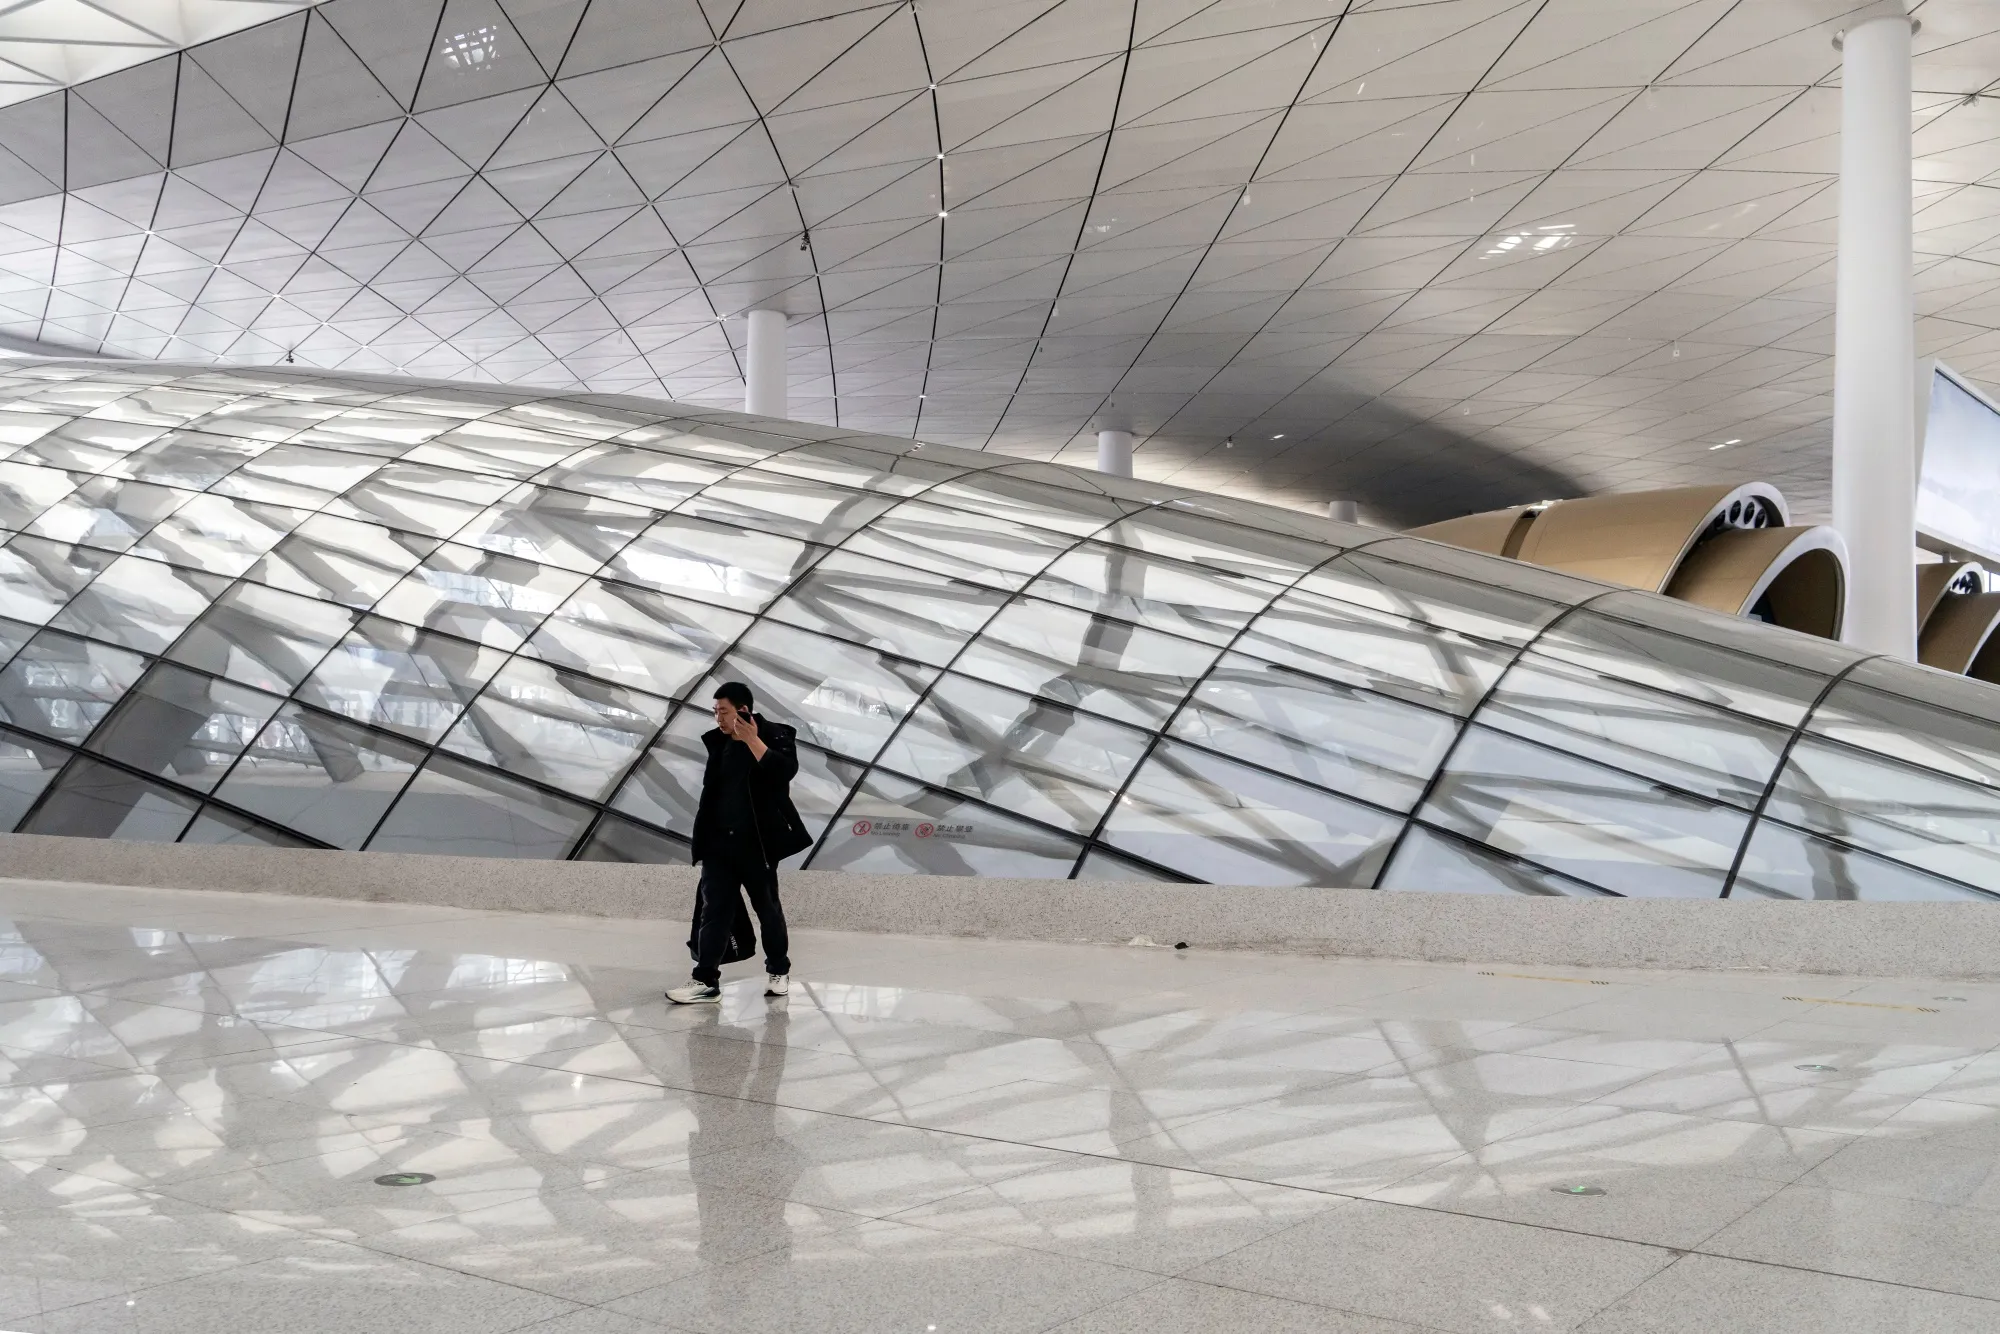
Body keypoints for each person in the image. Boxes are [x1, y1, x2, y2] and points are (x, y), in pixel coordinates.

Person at [666, 682, 812, 1004]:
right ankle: (706, 980)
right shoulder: (718, 743)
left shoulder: (775, 735)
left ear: (743, 710)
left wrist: (753, 740)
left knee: (768, 911)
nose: (718, 718)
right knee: (714, 912)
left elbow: (784, 772)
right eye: (715, 711)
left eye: (724, 711)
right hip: (719, 845)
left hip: (757, 845)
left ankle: (778, 970)